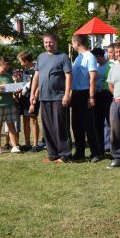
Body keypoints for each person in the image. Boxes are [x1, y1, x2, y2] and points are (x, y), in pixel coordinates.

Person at [30, 33, 72, 164]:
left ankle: (64, 155)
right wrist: (32, 93)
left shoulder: (63, 57)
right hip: (44, 97)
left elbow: (68, 76)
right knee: (47, 127)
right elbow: (36, 76)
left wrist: (67, 94)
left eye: (50, 42)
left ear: (55, 42)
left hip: (59, 96)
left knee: (60, 126)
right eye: (46, 42)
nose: (48, 44)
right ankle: (52, 154)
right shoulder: (41, 57)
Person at [70, 34, 101, 163]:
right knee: (76, 125)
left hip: (85, 93)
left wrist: (91, 96)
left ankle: (95, 153)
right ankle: (80, 151)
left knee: (89, 125)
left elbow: (93, 77)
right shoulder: (78, 57)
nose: (72, 45)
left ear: (77, 43)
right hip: (76, 93)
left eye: (72, 43)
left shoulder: (90, 57)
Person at [16, 50, 41, 152]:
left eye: (21, 62)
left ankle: (35, 144)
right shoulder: (25, 70)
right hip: (24, 97)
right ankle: (27, 144)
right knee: (25, 120)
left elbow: (38, 86)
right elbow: (25, 84)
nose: (20, 64)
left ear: (26, 61)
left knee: (33, 120)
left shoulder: (37, 70)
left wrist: (33, 100)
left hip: (33, 98)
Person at [92, 47, 112, 157]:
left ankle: (114, 147)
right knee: (97, 124)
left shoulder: (110, 65)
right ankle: (100, 149)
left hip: (107, 95)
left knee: (110, 123)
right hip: (97, 96)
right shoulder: (96, 66)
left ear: (99, 56)